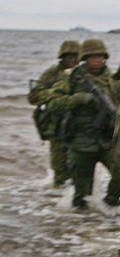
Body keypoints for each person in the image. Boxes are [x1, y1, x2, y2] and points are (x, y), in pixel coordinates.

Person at [45, 38, 120, 210]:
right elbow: (52, 103)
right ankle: (81, 223)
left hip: (107, 140)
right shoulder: (71, 79)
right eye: (92, 57)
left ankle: (110, 208)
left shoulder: (113, 80)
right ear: (85, 58)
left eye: (100, 56)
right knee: (81, 194)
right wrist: (78, 99)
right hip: (81, 142)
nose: (97, 60)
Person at [28, 40, 79, 187]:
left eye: (76, 57)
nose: (73, 61)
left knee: (81, 167)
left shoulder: (84, 74)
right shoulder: (51, 74)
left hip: (80, 126)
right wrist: (55, 94)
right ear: (62, 57)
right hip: (57, 127)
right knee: (59, 167)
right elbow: (34, 97)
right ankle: (57, 198)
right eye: (69, 57)